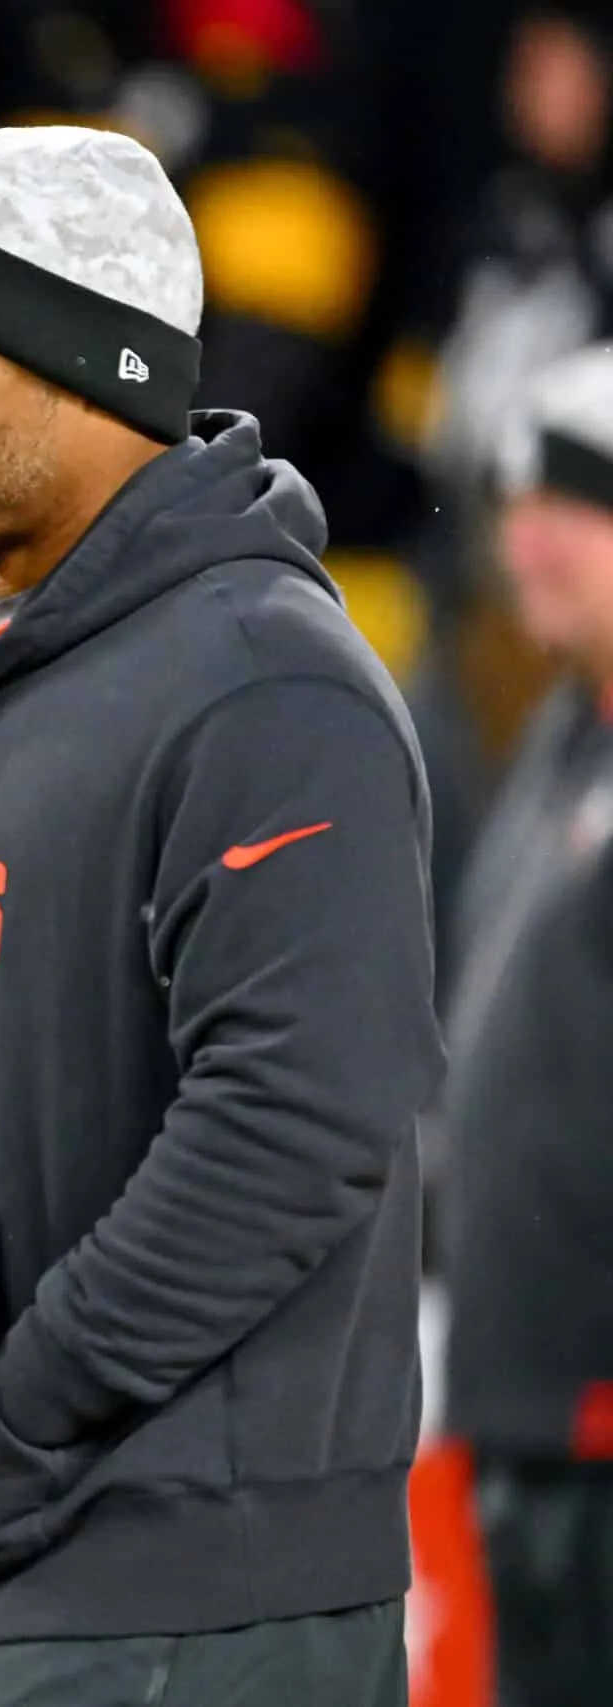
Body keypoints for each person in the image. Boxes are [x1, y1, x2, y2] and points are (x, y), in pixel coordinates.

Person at [0, 127, 444, 1706]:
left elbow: (301, 1116)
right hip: (13, 1579)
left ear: (96, 368)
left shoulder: (259, 675)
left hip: (185, 1595)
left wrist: (12, 1411)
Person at [439, 346, 613, 1705]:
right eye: (514, 506)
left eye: (569, 504)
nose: (525, 543)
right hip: (534, 1416)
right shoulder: (560, 740)